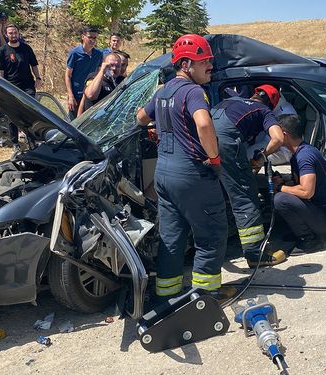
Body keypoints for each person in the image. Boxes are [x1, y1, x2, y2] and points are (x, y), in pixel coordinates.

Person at [136, 34, 233, 302]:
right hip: (191, 174)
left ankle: (167, 295)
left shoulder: (163, 90)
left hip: (164, 175)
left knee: (171, 237)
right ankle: (206, 296)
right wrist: (214, 158)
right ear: (187, 64)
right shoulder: (193, 91)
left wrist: (162, 126)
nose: (210, 66)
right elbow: (203, 123)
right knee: (211, 234)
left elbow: (140, 117)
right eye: (205, 63)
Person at [210, 84, 284, 267]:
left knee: (208, 193)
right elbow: (278, 138)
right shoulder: (264, 110)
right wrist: (262, 156)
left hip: (201, 140)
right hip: (226, 143)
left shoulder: (228, 101)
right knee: (245, 196)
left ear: (253, 93)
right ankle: (255, 253)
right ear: (272, 105)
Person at [272, 114, 326, 252]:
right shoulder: (299, 152)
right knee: (281, 194)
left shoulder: (304, 156)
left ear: (284, 134)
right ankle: (298, 231)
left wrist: (280, 187)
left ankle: (308, 240)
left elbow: (307, 192)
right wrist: (284, 182)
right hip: (318, 211)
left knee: (280, 199)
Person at [0, 24, 42, 155]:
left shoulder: (26, 48)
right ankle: (15, 143)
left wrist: (38, 78)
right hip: (11, 86)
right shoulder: (2, 50)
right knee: (12, 115)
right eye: (10, 33)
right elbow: (0, 71)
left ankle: (32, 140)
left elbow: (34, 65)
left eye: (15, 32)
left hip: (28, 86)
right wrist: (1, 86)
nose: (13, 35)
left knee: (30, 112)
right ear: (6, 35)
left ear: (18, 33)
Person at [65, 26, 102, 119]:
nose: (92, 40)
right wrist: (70, 95)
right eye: (90, 37)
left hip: (91, 95)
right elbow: (68, 75)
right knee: (75, 123)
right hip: (77, 94)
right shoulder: (75, 53)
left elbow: (99, 72)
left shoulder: (98, 54)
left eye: (95, 38)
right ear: (83, 37)